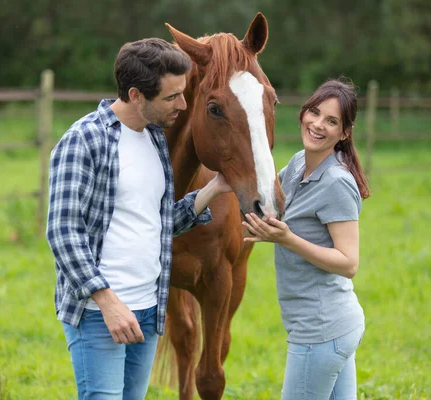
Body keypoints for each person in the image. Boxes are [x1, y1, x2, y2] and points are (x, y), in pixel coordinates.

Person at [46, 38, 232, 400]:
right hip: (100, 313)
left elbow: (157, 223)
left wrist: (213, 189)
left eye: (183, 93)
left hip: (148, 309)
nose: (183, 104)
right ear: (136, 95)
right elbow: (62, 232)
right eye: (171, 97)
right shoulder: (84, 141)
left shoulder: (155, 140)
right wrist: (108, 303)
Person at [242, 78, 370, 399]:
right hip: (332, 327)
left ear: (344, 133)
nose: (317, 124)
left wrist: (288, 240)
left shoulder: (337, 182)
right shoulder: (300, 162)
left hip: (321, 331)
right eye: (314, 112)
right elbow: (268, 207)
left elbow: (349, 263)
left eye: (331, 121)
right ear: (303, 113)